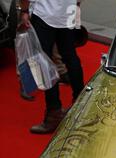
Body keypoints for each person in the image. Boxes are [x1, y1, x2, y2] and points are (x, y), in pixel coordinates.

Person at [19, 0, 84, 134]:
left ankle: (53, 112)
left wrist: (24, 10)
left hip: (45, 14)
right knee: (70, 56)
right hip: (68, 11)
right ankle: (81, 104)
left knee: (45, 61)